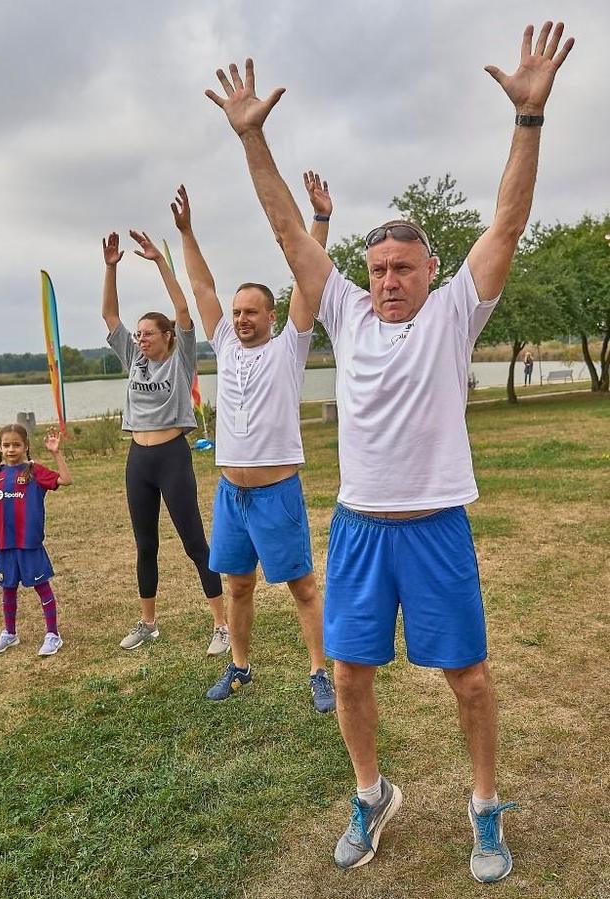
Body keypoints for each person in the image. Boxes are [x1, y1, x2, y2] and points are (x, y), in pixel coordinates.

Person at [205, 20, 573, 882]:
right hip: (362, 527)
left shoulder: (454, 312)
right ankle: (372, 792)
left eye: (403, 267)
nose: (388, 280)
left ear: (431, 268)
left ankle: (485, 807)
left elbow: (509, 222)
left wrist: (528, 120)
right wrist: (254, 136)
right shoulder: (343, 312)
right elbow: (286, 224)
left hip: (436, 526)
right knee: (350, 672)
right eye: (378, 269)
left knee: (469, 681)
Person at [171, 175, 335, 713]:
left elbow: (307, 275)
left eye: (250, 311)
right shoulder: (223, 344)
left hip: (275, 493)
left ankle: (320, 674)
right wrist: (187, 233)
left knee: (302, 589)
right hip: (230, 495)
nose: (240, 318)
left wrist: (320, 220)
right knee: (237, 586)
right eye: (237, 311)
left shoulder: (290, 346)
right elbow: (202, 290)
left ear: (270, 315)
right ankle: (240, 668)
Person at [102, 228, 228, 655]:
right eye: (138, 334)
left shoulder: (181, 357)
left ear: (167, 336)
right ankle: (148, 623)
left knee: (194, 541)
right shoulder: (133, 359)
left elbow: (182, 308)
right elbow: (109, 316)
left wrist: (159, 261)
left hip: (173, 456)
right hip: (139, 458)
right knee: (146, 544)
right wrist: (110, 269)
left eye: (148, 334)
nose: (140, 338)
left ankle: (221, 625)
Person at [0, 424, 72, 656]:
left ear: (25, 446)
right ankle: (10, 633)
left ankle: (53, 635)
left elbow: (66, 480)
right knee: (8, 589)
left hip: (29, 543)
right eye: (6, 445)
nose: (11, 449)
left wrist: (56, 453)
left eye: (16, 445)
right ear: (0, 447)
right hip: (3, 544)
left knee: (42, 587)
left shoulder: (34, 471)